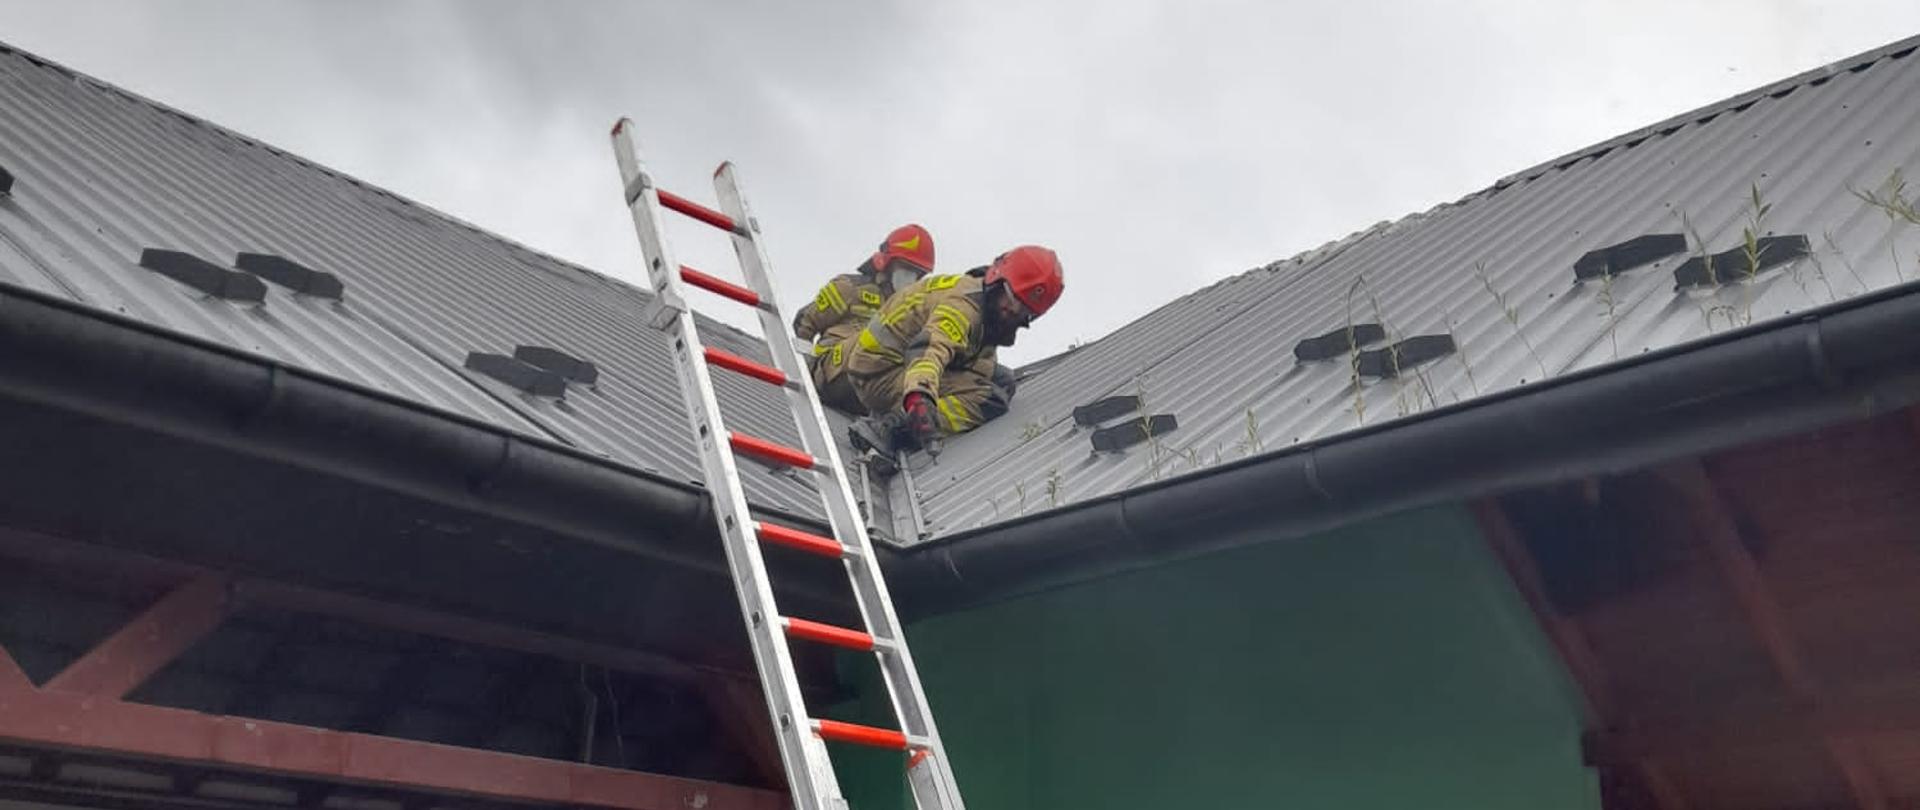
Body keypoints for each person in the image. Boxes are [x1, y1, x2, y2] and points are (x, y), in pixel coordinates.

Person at [842, 245, 1063, 458]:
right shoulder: (963, 307)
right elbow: (930, 349)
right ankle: (891, 428)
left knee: (1001, 380)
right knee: (990, 399)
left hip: (885, 361)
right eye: (1012, 298)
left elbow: (972, 358)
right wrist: (919, 398)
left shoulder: (983, 298)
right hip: (879, 375)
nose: (1012, 311)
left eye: (1023, 310)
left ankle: (904, 411)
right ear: (998, 280)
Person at [795, 224, 935, 413]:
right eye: (907, 269)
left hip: (869, 390)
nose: (912, 278)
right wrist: (802, 373)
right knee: (878, 336)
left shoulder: (910, 310)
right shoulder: (849, 288)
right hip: (832, 375)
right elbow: (804, 323)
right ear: (888, 262)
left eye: (918, 274)